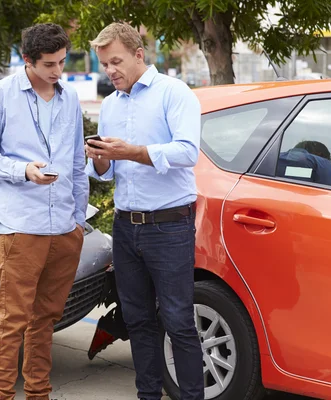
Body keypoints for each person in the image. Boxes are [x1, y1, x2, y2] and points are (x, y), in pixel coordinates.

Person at [85, 22, 204, 400]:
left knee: (178, 321)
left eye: (116, 61)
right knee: (138, 321)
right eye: (104, 64)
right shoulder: (110, 104)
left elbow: (188, 152)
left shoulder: (175, 92)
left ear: (139, 55)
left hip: (169, 227)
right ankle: (147, 395)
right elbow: (105, 174)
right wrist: (101, 160)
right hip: (125, 227)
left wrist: (132, 151)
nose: (110, 71)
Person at [0, 23, 88, 400]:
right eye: (49, 64)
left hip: (64, 227)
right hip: (22, 226)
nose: (57, 71)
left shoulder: (69, 97)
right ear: (27, 60)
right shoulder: (2, 94)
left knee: (46, 321)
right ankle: (1, 396)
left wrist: (79, 219)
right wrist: (23, 171)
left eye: (62, 62)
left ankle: (40, 393)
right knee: (12, 322)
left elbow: (74, 161)